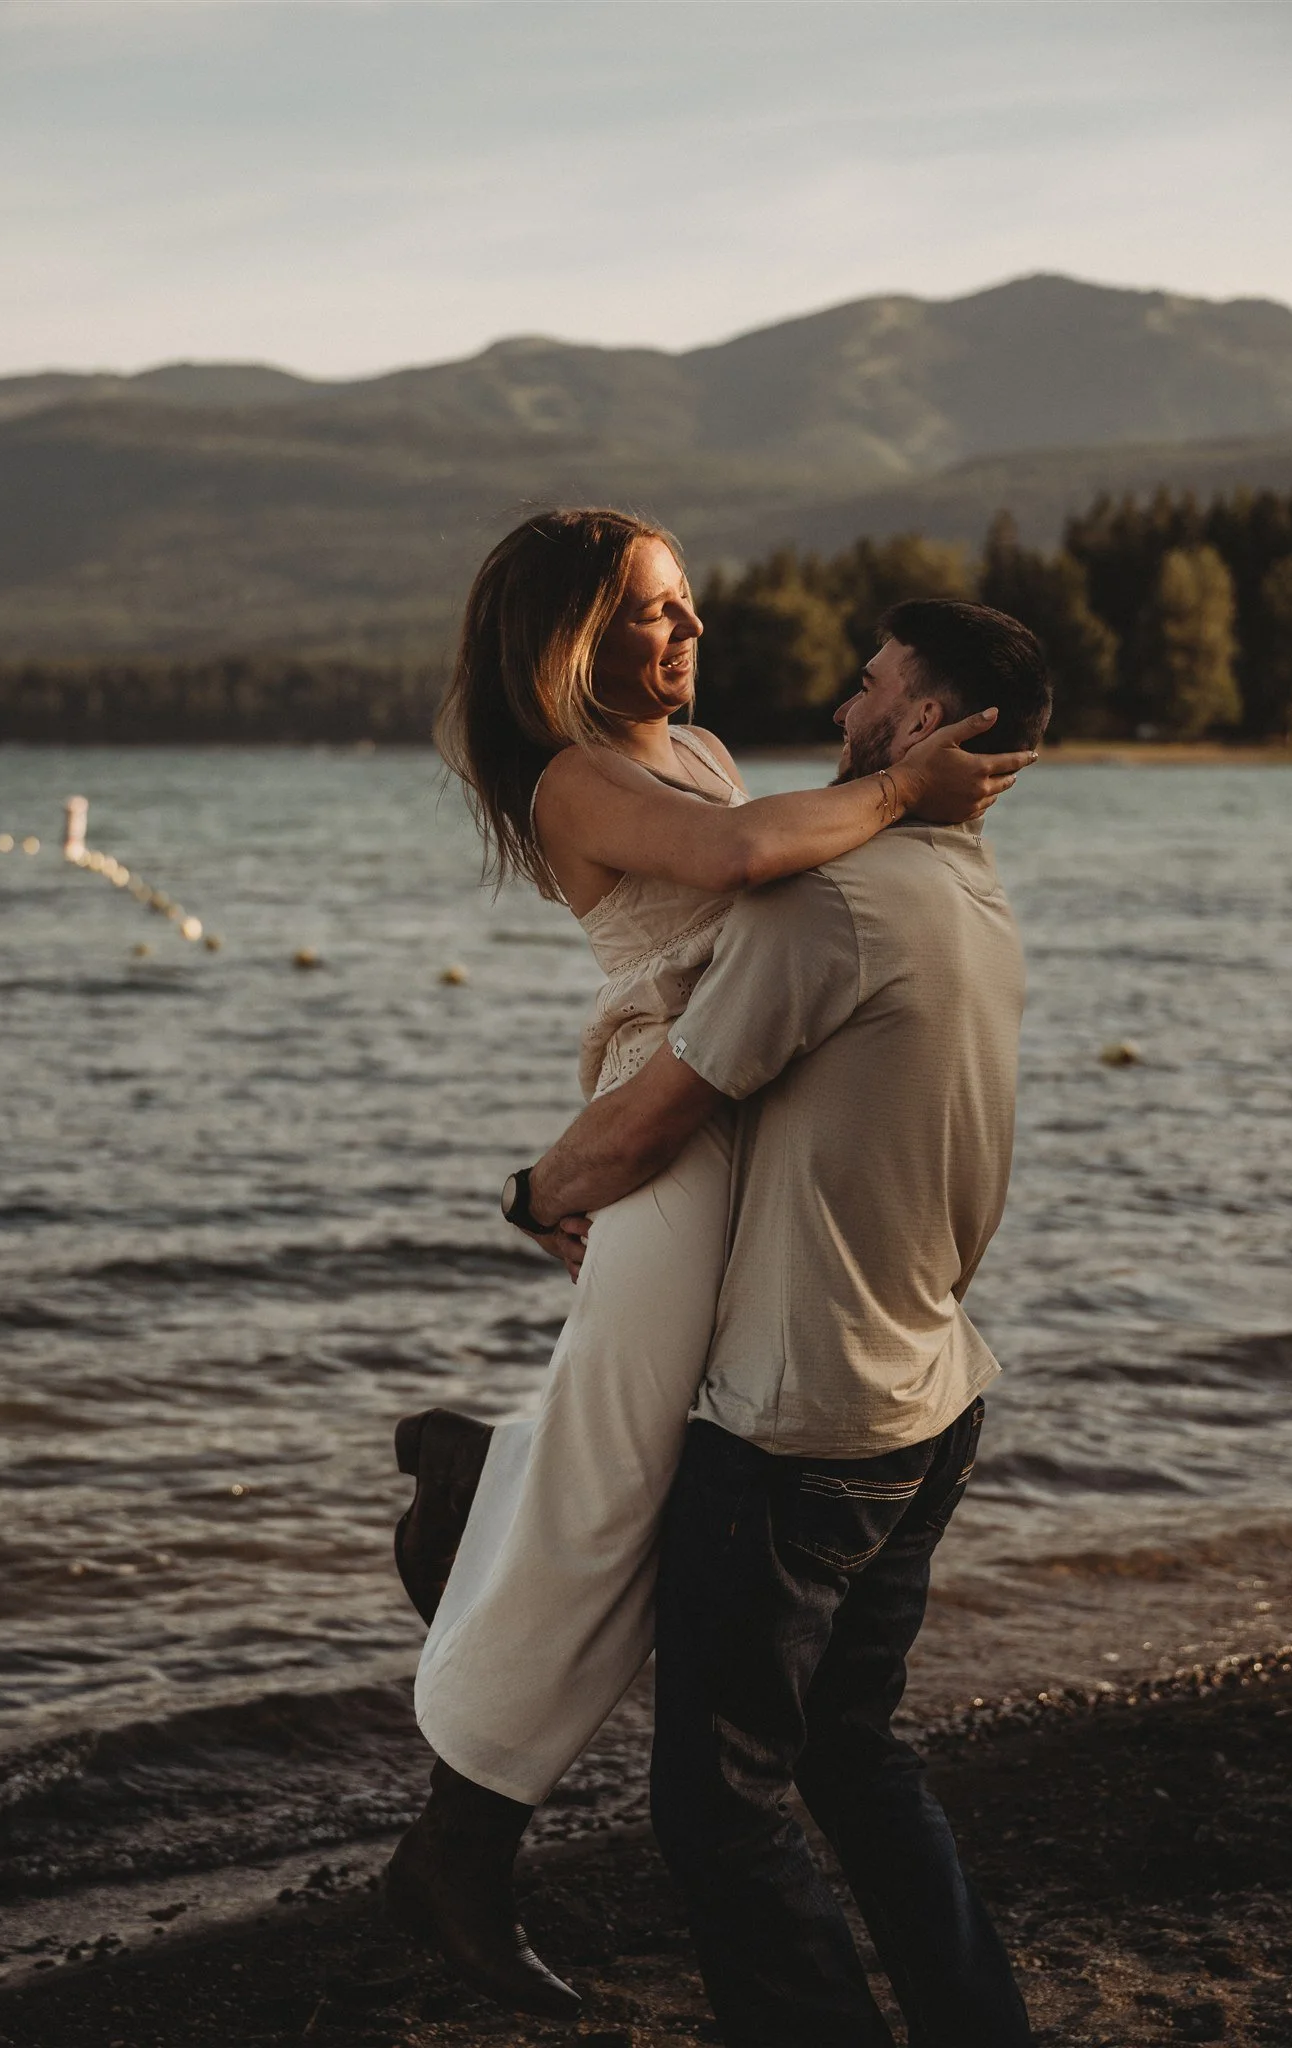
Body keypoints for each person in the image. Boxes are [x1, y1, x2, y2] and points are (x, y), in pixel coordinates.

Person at [384, 509, 1033, 2019]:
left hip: (720, 1105)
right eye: (650, 619)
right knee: (626, 1477)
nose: (686, 638)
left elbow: (774, 883)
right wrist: (899, 784)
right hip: (670, 1133)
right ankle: (462, 1838)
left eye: (686, 610)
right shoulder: (576, 777)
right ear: (569, 641)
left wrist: (885, 804)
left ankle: (483, 1492)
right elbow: (749, 860)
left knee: (655, 1463)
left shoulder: (700, 743)